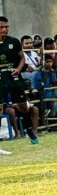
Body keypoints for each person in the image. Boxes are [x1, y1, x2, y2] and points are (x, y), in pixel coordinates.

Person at [0, 17, 39, 145]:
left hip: (14, 76)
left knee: (23, 105)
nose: (4, 29)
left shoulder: (14, 42)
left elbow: (22, 58)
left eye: (6, 27)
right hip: (1, 78)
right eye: (1, 27)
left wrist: (18, 69)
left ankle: (29, 130)